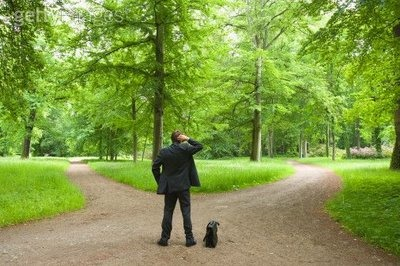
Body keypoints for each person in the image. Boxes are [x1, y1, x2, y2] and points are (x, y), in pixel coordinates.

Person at [152, 130, 203, 247]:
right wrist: (188, 139)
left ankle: (164, 239)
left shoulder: (164, 152)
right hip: (184, 186)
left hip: (170, 187)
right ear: (180, 139)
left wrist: (161, 182)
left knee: (168, 211)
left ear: (171, 139)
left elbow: (155, 167)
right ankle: (189, 239)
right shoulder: (186, 150)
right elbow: (200, 145)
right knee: (186, 211)